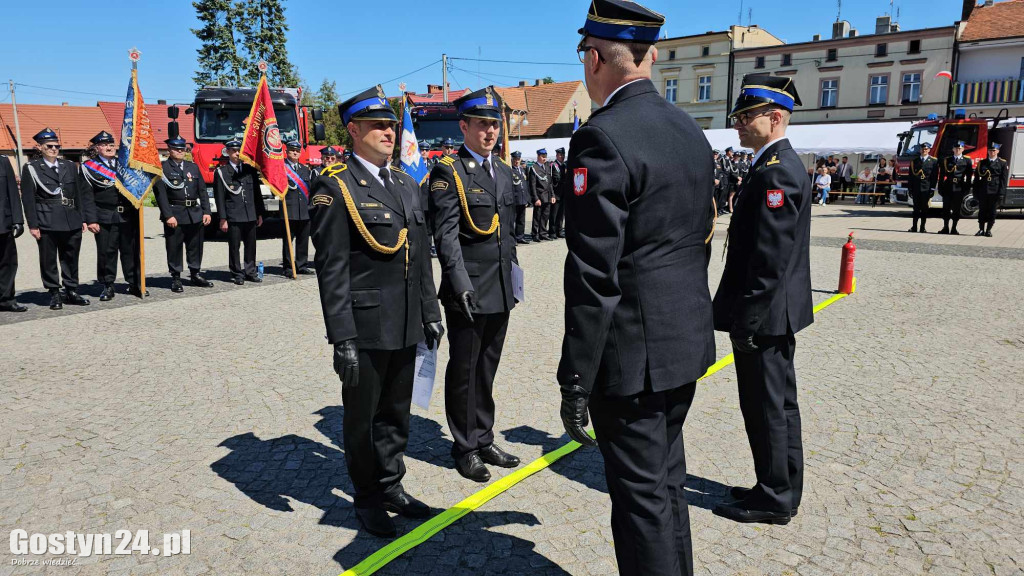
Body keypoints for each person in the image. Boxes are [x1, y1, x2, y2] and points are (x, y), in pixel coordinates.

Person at [559, 3, 716, 574]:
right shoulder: (688, 128)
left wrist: (574, 377)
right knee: (668, 483)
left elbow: (594, 275)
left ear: (595, 58)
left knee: (640, 502)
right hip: (683, 341)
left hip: (631, 358)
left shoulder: (601, 137)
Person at [310, 85, 443, 538]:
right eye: (378, 125)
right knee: (362, 418)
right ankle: (367, 498)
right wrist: (341, 337)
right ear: (354, 130)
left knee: (396, 413)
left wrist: (430, 310)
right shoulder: (336, 185)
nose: (389, 132)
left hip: (406, 320)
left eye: (391, 124)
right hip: (365, 326)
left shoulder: (406, 183)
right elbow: (331, 268)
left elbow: (421, 255)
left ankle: (391, 485)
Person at [711, 74, 813, 527]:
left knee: (766, 405)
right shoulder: (770, 163)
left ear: (774, 118)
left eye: (745, 116)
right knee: (776, 403)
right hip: (771, 312)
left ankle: (774, 496)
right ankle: (779, 484)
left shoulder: (777, 171)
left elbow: (768, 259)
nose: (738, 124)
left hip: (765, 315)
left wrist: (746, 320)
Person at [429, 86, 521, 483]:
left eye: (493, 125)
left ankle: (484, 437)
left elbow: (508, 232)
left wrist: (514, 275)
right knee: (465, 368)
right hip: (468, 288)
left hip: (499, 285)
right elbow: (446, 235)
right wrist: (460, 282)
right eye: (482, 125)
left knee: (488, 366)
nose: (490, 132)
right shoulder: (448, 172)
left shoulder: (501, 170)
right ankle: (465, 447)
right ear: (463, 126)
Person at [20, 128, 90, 310]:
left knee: (71, 257)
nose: (54, 149)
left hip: (71, 219)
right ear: (40, 147)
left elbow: (78, 194)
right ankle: (54, 293)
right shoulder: (32, 168)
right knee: (48, 259)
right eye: (49, 146)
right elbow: (28, 199)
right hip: (47, 220)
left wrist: (82, 217)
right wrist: (33, 225)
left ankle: (72, 290)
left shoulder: (68, 166)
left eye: (56, 146)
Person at [78, 131, 143, 300]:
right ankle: (108, 285)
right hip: (105, 216)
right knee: (107, 252)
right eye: (105, 145)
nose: (109, 148)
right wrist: (91, 219)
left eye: (111, 144)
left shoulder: (125, 164)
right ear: (97, 148)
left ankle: (133, 282)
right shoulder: (88, 167)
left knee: (130, 250)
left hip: (128, 216)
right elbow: (86, 196)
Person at [154, 136, 213, 292]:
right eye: (176, 149)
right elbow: (161, 195)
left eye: (182, 149)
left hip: (194, 213)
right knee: (174, 247)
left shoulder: (192, 167)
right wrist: (168, 215)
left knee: (195, 246)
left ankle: (195, 274)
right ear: (169, 150)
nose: (179, 151)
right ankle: (176, 277)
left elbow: (202, 191)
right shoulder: (162, 168)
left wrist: (206, 211)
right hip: (175, 214)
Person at [214, 140, 265, 285]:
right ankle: (237, 273)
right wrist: (222, 218)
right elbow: (219, 198)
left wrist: (260, 213)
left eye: (239, 150)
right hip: (233, 215)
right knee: (234, 246)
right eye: (234, 150)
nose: (237, 153)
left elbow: (257, 193)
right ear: (228, 152)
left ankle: (250, 271)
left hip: (250, 213)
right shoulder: (222, 172)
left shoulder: (249, 170)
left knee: (251, 245)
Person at [282, 140, 314, 275]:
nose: (295, 152)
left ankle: (301, 265)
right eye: (292, 150)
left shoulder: (305, 169)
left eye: (297, 150)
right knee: (288, 240)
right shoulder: (281, 168)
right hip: (289, 209)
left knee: (303, 239)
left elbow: (310, 190)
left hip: (304, 210)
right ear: (286, 151)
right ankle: (289, 267)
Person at [0, 153, 26, 312]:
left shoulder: (3, 161)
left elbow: (13, 191)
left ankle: (6, 299)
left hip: (3, 222)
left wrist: (18, 219)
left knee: (7, 263)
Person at [973, 142, 1008, 237]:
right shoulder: (982, 163)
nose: (992, 152)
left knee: (992, 211)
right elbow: (977, 178)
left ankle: (988, 230)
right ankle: (981, 229)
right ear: (988, 151)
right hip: (983, 190)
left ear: (998, 151)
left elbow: (1003, 179)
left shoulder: (1002, 163)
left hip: (995, 191)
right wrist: (975, 191)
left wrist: (1001, 193)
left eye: (994, 150)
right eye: (990, 150)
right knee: (982, 210)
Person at [938, 141, 973, 235]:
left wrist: (967, 188)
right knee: (946, 209)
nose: (958, 150)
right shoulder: (947, 160)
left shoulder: (967, 160)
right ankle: (945, 227)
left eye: (960, 148)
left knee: (956, 209)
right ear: (953, 149)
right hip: (948, 187)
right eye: (956, 148)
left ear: (963, 149)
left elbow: (969, 176)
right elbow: (941, 175)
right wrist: (940, 187)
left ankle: (954, 228)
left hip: (959, 187)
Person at [907, 142, 938, 233]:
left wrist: (932, 188)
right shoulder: (914, 161)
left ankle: (922, 227)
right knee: (916, 208)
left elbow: (934, 176)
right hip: (916, 188)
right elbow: (911, 176)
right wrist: (910, 188)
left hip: (926, 188)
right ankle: (914, 227)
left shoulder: (933, 161)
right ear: (920, 150)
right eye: (923, 149)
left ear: (929, 150)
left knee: (924, 208)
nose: (924, 150)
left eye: (926, 149)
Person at [528, 148, 554, 241]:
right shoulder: (534, 168)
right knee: (537, 217)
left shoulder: (547, 167)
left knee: (545, 216)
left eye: (545, 157)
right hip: (539, 196)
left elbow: (550, 183)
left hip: (547, 196)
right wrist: (535, 199)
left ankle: (543, 233)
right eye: (543, 157)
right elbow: (532, 185)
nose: (544, 159)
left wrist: (552, 196)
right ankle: (535, 234)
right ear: (538, 156)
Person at [510, 151, 530, 244]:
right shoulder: (510, 171)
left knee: (521, 220)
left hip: (522, 198)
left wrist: (527, 199)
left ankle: (520, 236)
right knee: (513, 219)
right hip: (515, 199)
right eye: (515, 159)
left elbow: (525, 185)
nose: (517, 161)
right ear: (512, 159)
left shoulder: (522, 170)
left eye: (518, 159)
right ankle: (512, 238)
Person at [549, 147, 567, 238]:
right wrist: (552, 194)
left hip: (563, 193)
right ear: (556, 155)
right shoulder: (553, 165)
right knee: (554, 214)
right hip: (556, 193)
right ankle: (552, 232)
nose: (562, 156)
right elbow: (551, 181)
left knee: (561, 214)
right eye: (560, 155)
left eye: (563, 155)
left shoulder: (564, 166)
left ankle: (559, 231)